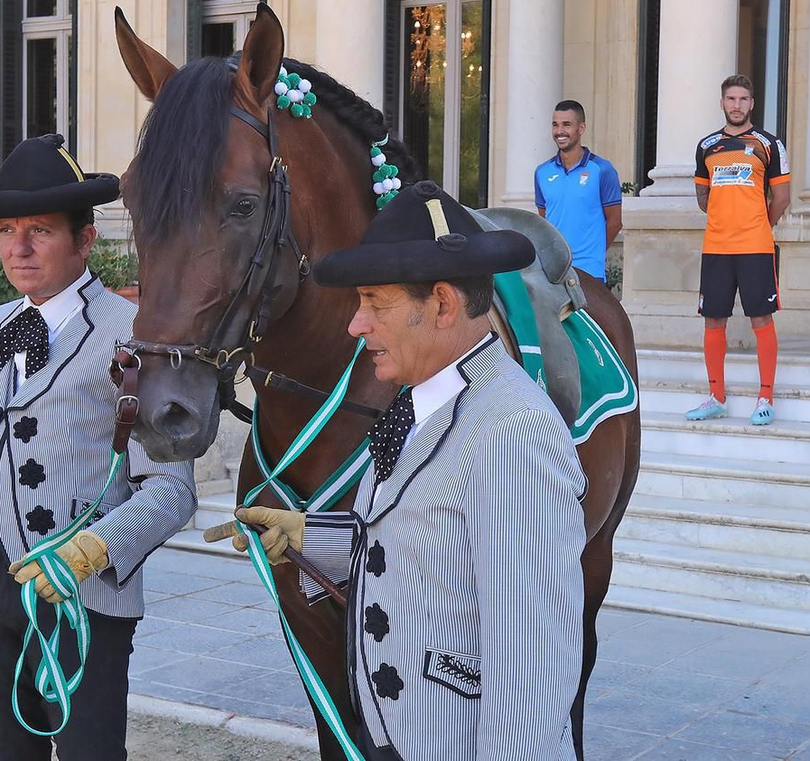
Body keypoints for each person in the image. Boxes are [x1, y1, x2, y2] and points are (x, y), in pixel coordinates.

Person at [222, 181, 587, 760]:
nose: (356, 324)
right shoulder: (420, 402)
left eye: (375, 303)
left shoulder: (512, 429)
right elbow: (425, 546)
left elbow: (531, 654)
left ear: (441, 304)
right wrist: (311, 536)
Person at [0, 134, 197, 760]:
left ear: (85, 239)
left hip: (81, 596)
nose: (18, 248)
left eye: (39, 230)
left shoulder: (137, 332)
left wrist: (94, 550)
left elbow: (173, 491)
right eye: (7, 230)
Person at [684, 74, 791, 427]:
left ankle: (766, 398)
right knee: (714, 319)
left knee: (761, 318)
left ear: (752, 104)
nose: (737, 105)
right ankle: (716, 397)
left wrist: (758, 224)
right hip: (716, 246)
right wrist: (724, 217)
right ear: (722, 103)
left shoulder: (769, 144)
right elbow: (703, 196)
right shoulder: (706, 146)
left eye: (743, 99)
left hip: (755, 246)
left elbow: (782, 198)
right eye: (731, 99)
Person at [536, 99, 623, 281]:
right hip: (554, 272)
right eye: (555, 125)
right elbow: (544, 222)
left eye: (566, 125)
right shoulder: (542, 172)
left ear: (581, 128)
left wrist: (594, 252)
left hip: (589, 273)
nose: (559, 131)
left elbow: (615, 222)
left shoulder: (602, 169)